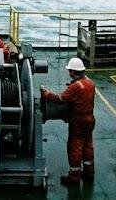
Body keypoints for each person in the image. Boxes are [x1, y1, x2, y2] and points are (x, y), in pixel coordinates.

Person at [40, 57, 96, 185]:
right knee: (88, 146)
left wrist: (46, 94)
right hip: (90, 119)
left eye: (70, 70)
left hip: (78, 121)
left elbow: (60, 99)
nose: (69, 73)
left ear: (73, 71)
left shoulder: (75, 87)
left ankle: (74, 177)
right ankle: (89, 172)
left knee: (75, 147)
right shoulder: (90, 83)